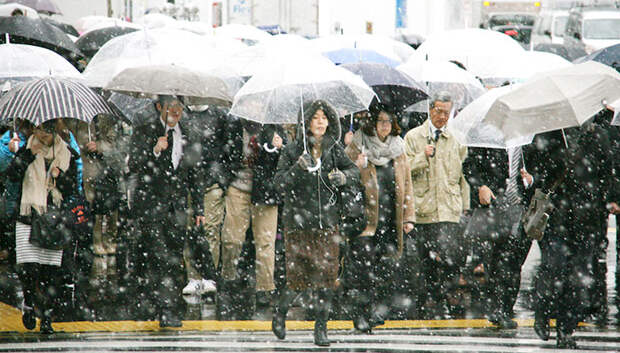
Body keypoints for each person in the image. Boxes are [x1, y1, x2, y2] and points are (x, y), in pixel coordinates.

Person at [272, 100, 360, 346]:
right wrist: (298, 169)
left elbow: (354, 172)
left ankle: (321, 329)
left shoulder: (334, 149)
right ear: (307, 122)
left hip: (328, 225)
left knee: (326, 279)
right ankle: (280, 313)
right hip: (299, 226)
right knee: (298, 279)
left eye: (324, 118)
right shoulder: (292, 150)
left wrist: (342, 177)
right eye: (316, 117)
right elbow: (278, 183)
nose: (320, 122)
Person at [531, 122, 615, 349]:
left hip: (587, 220)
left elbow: (606, 174)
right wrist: (560, 163)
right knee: (553, 268)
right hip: (556, 217)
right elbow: (536, 170)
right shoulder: (549, 132)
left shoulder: (598, 135)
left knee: (578, 279)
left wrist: (602, 201)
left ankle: (566, 329)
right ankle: (542, 312)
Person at [128, 95, 205, 327]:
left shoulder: (188, 131)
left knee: (174, 255)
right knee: (160, 256)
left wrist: (199, 206)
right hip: (151, 205)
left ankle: (164, 302)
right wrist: (154, 150)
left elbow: (194, 171)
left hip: (177, 206)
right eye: (171, 108)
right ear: (159, 107)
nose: (176, 112)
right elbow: (133, 165)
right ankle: (166, 308)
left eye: (179, 108)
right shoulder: (145, 128)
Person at [4, 120, 82, 333]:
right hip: (28, 216)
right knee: (29, 269)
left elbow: (72, 189)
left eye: (46, 130)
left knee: (50, 272)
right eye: (38, 129)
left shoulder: (67, 154)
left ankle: (47, 317)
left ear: (54, 130)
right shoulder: (26, 149)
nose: (42, 134)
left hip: (52, 220)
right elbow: (12, 176)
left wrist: (60, 177)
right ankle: (29, 304)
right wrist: (28, 155)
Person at [344, 105, 415, 332]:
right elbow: (343, 175)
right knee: (362, 270)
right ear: (373, 123)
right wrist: (358, 166)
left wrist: (408, 217)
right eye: (380, 121)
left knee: (384, 268)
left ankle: (374, 310)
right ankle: (360, 314)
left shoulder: (398, 147)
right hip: (365, 219)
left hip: (389, 219)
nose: (384, 125)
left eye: (388, 121)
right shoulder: (358, 142)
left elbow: (407, 184)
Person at [404, 91, 470, 319]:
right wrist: (422, 156)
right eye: (439, 111)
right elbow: (404, 171)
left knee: (451, 257)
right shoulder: (413, 137)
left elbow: (464, 176)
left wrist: (466, 207)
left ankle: (447, 298)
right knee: (426, 260)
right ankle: (427, 300)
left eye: (447, 112)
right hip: (424, 209)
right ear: (430, 110)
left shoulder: (457, 139)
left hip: (450, 208)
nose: (443, 117)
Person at [217, 117, 285, 316]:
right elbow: (222, 156)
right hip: (238, 187)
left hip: (266, 193)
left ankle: (264, 288)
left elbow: (284, 161)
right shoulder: (233, 127)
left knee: (265, 242)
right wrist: (224, 181)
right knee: (232, 239)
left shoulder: (275, 128)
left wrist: (278, 148)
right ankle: (228, 277)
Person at [465, 146, 534, 329]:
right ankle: (500, 308)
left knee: (516, 261)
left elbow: (547, 170)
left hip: (524, 207)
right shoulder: (490, 137)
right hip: (497, 206)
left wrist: (532, 179)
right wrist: (481, 185)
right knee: (498, 260)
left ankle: (504, 306)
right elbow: (469, 166)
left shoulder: (530, 140)